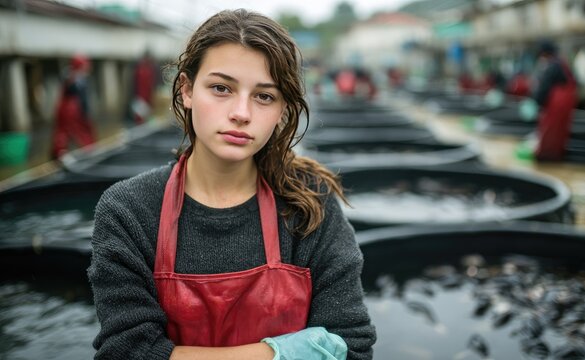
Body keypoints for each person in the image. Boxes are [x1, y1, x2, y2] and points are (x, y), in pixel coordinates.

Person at [88, 9, 376, 360]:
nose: (241, 112)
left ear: (283, 109)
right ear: (187, 89)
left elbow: (354, 345)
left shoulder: (309, 203)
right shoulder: (129, 210)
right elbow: (126, 352)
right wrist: (276, 355)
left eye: (264, 96)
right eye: (221, 88)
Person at [531, 40, 577, 161]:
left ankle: (547, 160)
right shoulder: (562, 64)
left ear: (545, 53)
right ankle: (557, 158)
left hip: (555, 108)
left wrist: (536, 102)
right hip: (564, 107)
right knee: (560, 134)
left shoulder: (552, 66)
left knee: (550, 134)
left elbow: (543, 91)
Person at [51, 54, 97, 159]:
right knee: (72, 135)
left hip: (74, 113)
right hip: (72, 114)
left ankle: (67, 153)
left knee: (78, 136)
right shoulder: (74, 79)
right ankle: (64, 154)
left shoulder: (75, 77)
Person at [132, 50, 159, 124]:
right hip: (140, 95)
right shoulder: (140, 70)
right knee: (140, 115)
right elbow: (134, 84)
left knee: (148, 113)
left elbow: (153, 84)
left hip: (147, 95)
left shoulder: (150, 70)